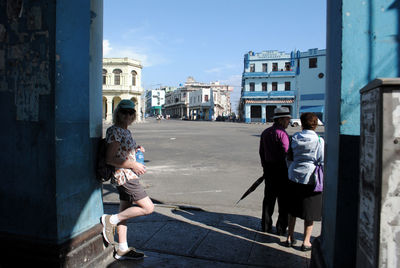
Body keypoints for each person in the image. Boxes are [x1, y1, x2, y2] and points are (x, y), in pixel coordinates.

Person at [101, 99, 154, 260]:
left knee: (125, 211)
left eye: (131, 113)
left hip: (128, 175)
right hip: (125, 176)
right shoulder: (115, 131)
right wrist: (133, 165)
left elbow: (123, 151)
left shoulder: (125, 131)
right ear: (118, 113)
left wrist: (136, 149)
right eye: (124, 112)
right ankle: (110, 220)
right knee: (148, 208)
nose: (127, 115)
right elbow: (110, 158)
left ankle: (122, 248)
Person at [285, 112, 324, 251]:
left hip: (294, 175)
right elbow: (322, 161)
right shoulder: (319, 140)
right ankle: (306, 241)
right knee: (310, 211)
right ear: (315, 125)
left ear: (302, 123)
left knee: (292, 208)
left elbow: (289, 157)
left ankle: (289, 237)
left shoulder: (294, 137)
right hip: (310, 178)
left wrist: (292, 168)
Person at [259, 107, 291, 235]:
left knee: (268, 199)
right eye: (287, 119)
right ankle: (281, 228)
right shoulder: (282, 134)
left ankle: (266, 226)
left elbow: (261, 152)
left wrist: (265, 167)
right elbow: (287, 153)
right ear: (281, 120)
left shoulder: (265, 132)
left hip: (269, 169)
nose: (289, 122)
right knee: (283, 201)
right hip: (282, 171)